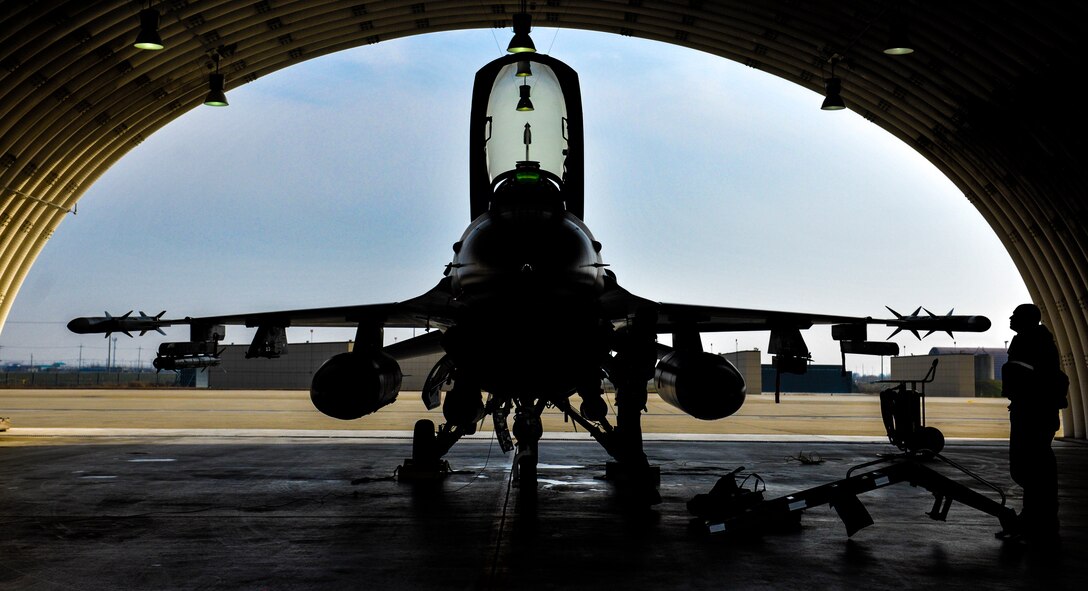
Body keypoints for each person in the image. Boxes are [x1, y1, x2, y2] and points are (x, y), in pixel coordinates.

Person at [1002, 303, 1064, 544]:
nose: (1010, 317)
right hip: (1030, 410)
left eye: (1015, 315)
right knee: (1032, 467)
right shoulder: (1033, 339)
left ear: (1028, 319)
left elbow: (1033, 378)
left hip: (1033, 412)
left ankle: (1039, 521)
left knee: (1033, 466)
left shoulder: (1033, 341)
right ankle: (1036, 518)